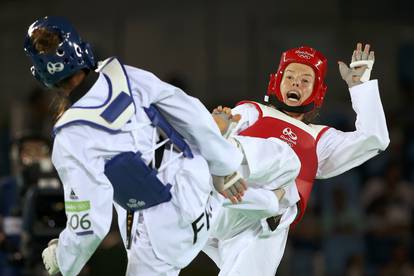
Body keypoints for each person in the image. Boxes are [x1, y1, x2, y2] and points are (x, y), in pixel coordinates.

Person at [23, 16, 250, 276]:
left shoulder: (70, 136)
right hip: (203, 191)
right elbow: (191, 115)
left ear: (41, 75)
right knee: (262, 206)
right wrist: (224, 166)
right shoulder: (125, 75)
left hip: (163, 233)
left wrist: (63, 259)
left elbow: (89, 227)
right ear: (81, 49)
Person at [205, 43, 390, 275]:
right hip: (223, 204)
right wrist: (219, 126)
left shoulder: (319, 139)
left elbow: (375, 139)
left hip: (262, 225)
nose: (295, 82)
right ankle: (223, 171)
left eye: (305, 80)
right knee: (283, 158)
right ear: (277, 82)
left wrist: (360, 87)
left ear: (317, 91)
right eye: (290, 76)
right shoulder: (254, 111)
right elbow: (224, 124)